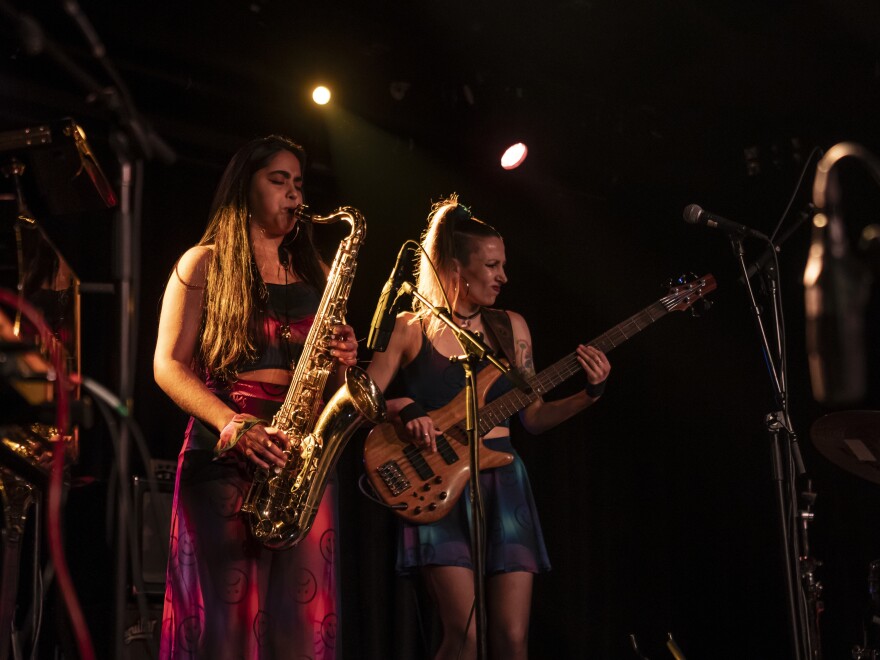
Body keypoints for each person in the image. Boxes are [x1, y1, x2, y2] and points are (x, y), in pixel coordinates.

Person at [366, 195, 611, 660]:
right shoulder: (409, 327)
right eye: (493, 265)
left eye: (503, 265)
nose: (503, 277)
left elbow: (534, 418)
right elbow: (361, 402)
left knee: (513, 639)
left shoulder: (510, 328)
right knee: (464, 637)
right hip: (435, 485)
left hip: (505, 482)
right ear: (456, 268)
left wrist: (589, 393)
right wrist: (402, 405)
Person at [153, 135, 359, 659]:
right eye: (278, 180)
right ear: (245, 186)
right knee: (225, 633)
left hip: (300, 463)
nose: (293, 194)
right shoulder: (203, 263)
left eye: (298, 183)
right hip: (225, 456)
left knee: (299, 630)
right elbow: (167, 366)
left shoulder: (314, 278)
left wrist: (344, 364)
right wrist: (233, 423)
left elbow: (330, 392)